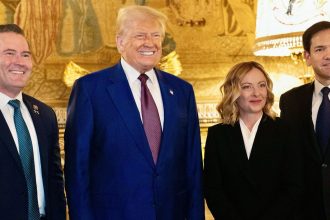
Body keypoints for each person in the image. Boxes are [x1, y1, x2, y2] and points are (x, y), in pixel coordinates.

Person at [64, 5, 204, 220]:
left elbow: (193, 166)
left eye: (156, 35)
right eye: (140, 35)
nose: (150, 43)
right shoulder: (90, 90)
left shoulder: (182, 91)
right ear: (120, 42)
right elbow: (77, 170)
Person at [204, 61, 302, 220]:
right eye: (247, 86)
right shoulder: (218, 134)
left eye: (261, 85)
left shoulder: (286, 130)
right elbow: (213, 189)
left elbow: (294, 187)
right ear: (233, 91)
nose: (257, 93)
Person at [0, 24, 66, 219]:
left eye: (26, 55)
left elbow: (55, 181)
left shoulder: (44, 115)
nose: (19, 62)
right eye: (9, 53)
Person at [280, 21, 330, 220]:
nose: (328, 55)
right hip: (305, 211)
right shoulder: (290, 101)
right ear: (307, 57)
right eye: (320, 49)